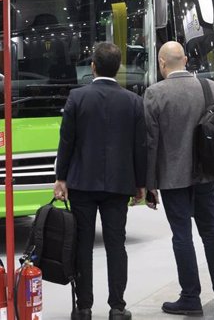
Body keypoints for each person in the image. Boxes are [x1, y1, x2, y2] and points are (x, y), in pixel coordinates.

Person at [143, 41, 214, 316]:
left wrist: (149, 185)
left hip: (171, 179)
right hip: (205, 176)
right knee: (211, 232)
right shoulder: (209, 87)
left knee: (182, 236)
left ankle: (190, 298)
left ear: (162, 64)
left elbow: (150, 143)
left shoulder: (154, 94)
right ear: (186, 60)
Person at [54, 42, 147, 320]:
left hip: (82, 184)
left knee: (82, 245)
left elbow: (66, 141)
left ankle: (84, 307)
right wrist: (140, 183)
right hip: (119, 185)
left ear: (92, 66)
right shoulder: (133, 101)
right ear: (118, 68)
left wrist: (61, 178)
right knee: (116, 245)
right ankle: (117, 307)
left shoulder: (77, 97)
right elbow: (139, 146)